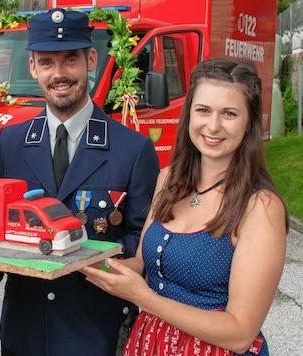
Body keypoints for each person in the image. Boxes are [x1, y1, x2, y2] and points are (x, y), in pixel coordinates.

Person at [80, 58, 288, 355]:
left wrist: (146, 299)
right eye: (203, 110)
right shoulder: (169, 179)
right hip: (150, 344)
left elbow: (241, 333)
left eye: (229, 113)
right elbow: (142, 263)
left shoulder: (260, 207)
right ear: (189, 114)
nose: (213, 126)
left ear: (249, 123)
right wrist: (88, 263)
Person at [0, 8, 160, 356]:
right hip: (25, 336)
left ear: (91, 60)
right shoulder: (9, 143)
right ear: (33, 67)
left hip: (94, 333)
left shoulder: (133, 149)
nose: (60, 74)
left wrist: (94, 259)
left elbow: (143, 239)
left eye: (70, 60)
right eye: (47, 63)